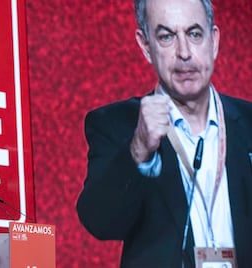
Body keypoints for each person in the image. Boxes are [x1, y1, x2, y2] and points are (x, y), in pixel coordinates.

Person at [76, 0, 252, 267]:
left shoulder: (249, 122)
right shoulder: (117, 124)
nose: (184, 52)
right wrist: (138, 150)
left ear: (213, 41)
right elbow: (100, 222)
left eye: (194, 34)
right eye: (167, 36)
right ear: (146, 46)